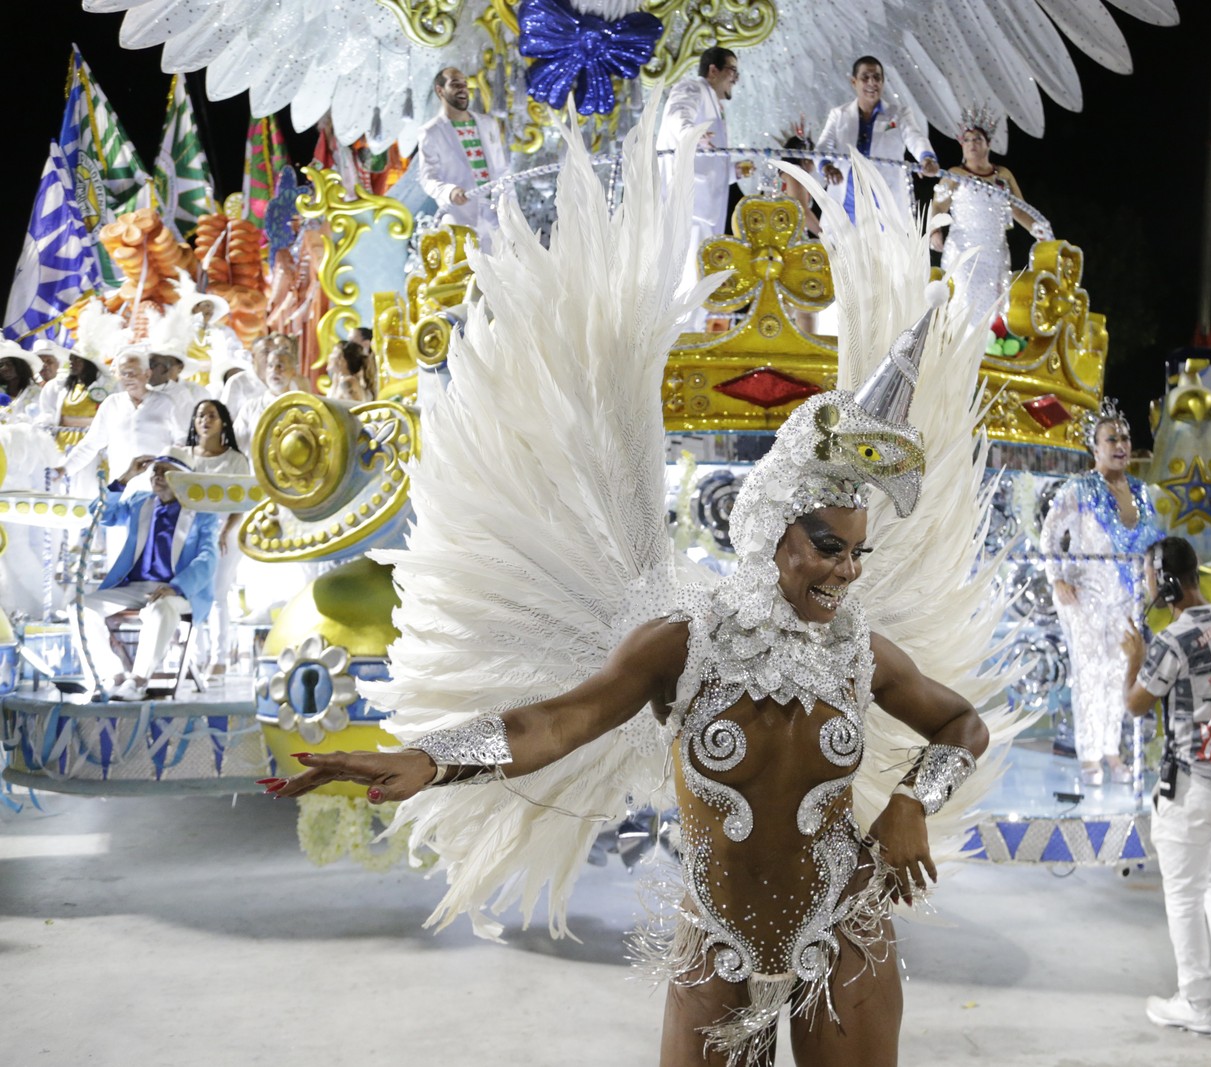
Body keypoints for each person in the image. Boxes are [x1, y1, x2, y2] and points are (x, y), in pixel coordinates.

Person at [264, 306, 996, 1066]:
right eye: (828, 547)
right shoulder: (687, 641)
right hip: (718, 942)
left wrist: (912, 802)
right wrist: (433, 759)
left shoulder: (860, 653)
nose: (846, 571)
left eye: (858, 552)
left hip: (845, 937)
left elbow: (962, 725)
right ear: (774, 527)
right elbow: (561, 721)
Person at [1122, 536, 1211, 1039]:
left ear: (1165, 581)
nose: (1147, 587)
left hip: (1192, 790)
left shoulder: (1172, 641)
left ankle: (1198, 1004)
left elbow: (1136, 703)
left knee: (1183, 895)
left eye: (1149, 579)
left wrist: (1133, 657)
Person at [1042, 398, 1161, 786]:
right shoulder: (1078, 489)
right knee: (1090, 674)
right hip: (1086, 593)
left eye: (1124, 437)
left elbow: (1151, 548)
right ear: (1095, 448)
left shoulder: (1142, 492)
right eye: (1111, 439)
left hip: (1128, 598)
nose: (1120, 445)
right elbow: (1049, 535)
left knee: (1119, 671)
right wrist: (1057, 577)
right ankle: (1089, 755)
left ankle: (1112, 750)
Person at [79, 454, 221, 701]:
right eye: (155, 471)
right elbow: (100, 514)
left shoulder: (200, 512)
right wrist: (125, 477)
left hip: (178, 590)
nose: (157, 476)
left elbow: (208, 558)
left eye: (165, 472)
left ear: (182, 478)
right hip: (134, 587)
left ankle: (138, 681)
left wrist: (176, 587)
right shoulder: (140, 503)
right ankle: (115, 675)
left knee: (160, 608)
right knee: (80, 609)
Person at [929, 106, 1039, 326]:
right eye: (967, 139)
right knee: (965, 304)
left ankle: (986, 355)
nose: (972, 144)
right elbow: (938, 207)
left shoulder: (1003, 175)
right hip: (964, 252)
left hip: (995, 253)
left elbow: (1019, 209)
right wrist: (934, 230)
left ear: (988, 143)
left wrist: (1040, 231)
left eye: (977, 138)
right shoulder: (955, 175)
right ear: (962, 145)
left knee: (996, 309)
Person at [657, 46, 745, 306]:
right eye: (732, 70)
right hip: (690, 207)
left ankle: (693, 339)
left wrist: (733, 171)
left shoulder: (714, 106)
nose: (735, 78)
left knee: (699, 281)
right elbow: (678, 115)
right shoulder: (692, 88)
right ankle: (679, 343)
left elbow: (707, 163)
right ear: (713, 70)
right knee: (685, 280)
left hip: (706, 208)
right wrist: (691, 133)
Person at [168, 400, 250, 675]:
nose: (205, 420)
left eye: (211, 415)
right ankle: (195, 655)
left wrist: (225, 531)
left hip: (224, 529)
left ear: (223, 422)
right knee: (190, 590)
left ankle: (220, 656)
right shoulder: (183, 455)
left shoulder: (236, 460)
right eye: (200, 415)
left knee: (217, 592)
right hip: (187, 531)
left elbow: (241, 500)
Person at [816, 56, 938, 223]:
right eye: (865, 77)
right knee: (842, 247)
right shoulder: (839, 115)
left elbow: (915, 137)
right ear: (854, 82)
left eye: (877, 77)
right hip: (847, 201)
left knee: (886, 247)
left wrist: (927, 158)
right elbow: (823, 147)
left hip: (885, 202)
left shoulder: (899, 114)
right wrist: (826, 167)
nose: (871, 83)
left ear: (883, 81)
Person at [61, 347, 185, 486]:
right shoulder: (112, 403)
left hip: (158, 487)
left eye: (132, 373)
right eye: (123, 374)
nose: (128, 378)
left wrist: (167, 463)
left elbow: (181, 440)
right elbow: (91, 443)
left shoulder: (166, 402)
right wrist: (64, 469)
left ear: (147, 374)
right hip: (121, 484)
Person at [414, 67, 509, 247]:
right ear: (440, 90)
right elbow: (428, 179)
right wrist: (450, 192)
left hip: (497, 215)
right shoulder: (431, 132)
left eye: (465, 85)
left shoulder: (488, 124)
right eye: (455, 84)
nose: (463, 89)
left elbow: (502, 169)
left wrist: (510, 207)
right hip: (461, 219)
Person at [148, 348, 209, 428]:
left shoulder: (196, 391)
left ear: (180, 367)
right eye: (158, 365)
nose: (164, 369)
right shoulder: (146, 391)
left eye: (168, 364)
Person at [0, 342, 43, 422]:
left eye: (9, 363)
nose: (4, 368)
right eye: (1, 365)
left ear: (20, 366)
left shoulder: (36, 392)